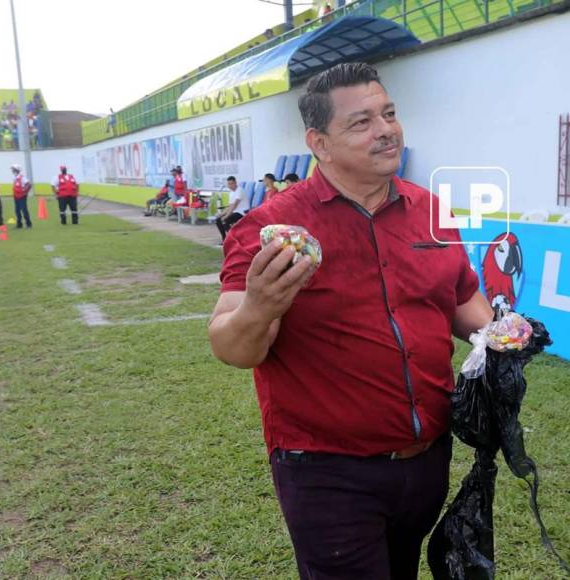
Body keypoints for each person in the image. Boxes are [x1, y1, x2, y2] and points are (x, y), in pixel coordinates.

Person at [208, 62, 493, 579]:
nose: (386, 130)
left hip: (427, 458)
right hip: (327, 473)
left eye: (389, 114)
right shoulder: (270, 231)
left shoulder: (432, 211)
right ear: (319, 143)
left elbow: (464, 304)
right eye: (361, 122)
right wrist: (259, 306)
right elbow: (232, 346)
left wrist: (503, 336)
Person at [214, 176, 249, 241]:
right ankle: (224, 239)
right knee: (218, 220)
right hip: (235, 212)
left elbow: (234, 205)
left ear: (235, 183)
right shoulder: (231, 192)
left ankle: (234, 239)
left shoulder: (240, 190)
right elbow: (230, 206)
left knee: (225, 221)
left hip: (242, 213)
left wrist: (226, 216)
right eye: (229, 184)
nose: (230, 186)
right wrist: (221, 214)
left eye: (231, 183)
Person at [11, 164, 32, 228]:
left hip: (22, 196)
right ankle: (19, 224)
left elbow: (29, 185)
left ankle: (28, 223)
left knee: (24, 210)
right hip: (16, 196)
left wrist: (25, 192)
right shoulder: (15, 177)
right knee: (17, 210)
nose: (12, 170)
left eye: (13, 169)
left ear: (17, 170)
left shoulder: (22, 177)